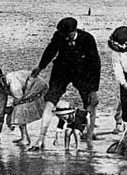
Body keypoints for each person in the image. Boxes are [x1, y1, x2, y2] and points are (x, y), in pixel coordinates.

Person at [29, 17, 101, 150]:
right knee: (50, 99)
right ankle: (40, 139)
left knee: (91, 102)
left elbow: (95, 64)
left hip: (82, 72)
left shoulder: (87, 39)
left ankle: (90, 137)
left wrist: (93, 90)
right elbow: (50, 51)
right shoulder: (59, 36)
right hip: (61, 70)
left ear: (75, 30)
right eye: (63, 35)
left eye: (68, 35)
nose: (66, 38)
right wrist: (40, 67)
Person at [0, 63, 47, 146]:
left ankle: (25, 139)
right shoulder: (1, 88)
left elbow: (19, 99)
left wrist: (11, 111)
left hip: (38, 88)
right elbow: (0, 109)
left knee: (19, 110)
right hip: (26, 92)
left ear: (0, 77)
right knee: (14, 110)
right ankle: (24, 137)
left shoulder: (12, 81)